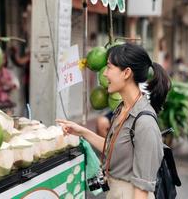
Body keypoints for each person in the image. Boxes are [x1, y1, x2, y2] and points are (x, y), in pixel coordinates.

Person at [56, 42, 171, 199]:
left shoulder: (144, 123)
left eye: (109, 67)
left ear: (126, 73)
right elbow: (114, 148)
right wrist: (82, 132)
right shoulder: (122, 109)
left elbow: (142, 190)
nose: (104, 74)